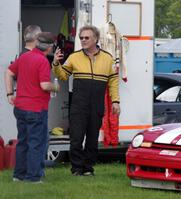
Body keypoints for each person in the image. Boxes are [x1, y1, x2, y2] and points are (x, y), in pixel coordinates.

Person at [52, 25, 120, 176]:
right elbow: (63, 76)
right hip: (78, 105)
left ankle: (88, 168)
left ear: (95, 39)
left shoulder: (107, 58)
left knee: (92, 140)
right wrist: (56, 63)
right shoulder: (74, 57)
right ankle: (76, 169)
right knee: (76, 139)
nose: (83, 40)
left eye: (86, 38)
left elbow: (113, 82)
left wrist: (115, 101)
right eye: (81, 38)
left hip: (96, 106)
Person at [5, 32, 59, 183]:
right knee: (37, 143)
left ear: (37, 44)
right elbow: (44, 85)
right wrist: (55, 87)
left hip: (20, 107)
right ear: (49, 47)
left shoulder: (24, 57)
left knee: (23, 142)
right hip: (36, 108)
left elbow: (8, 72)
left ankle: (18, 175)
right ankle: (33, 177)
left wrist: (10, 94)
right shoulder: (42, 61)